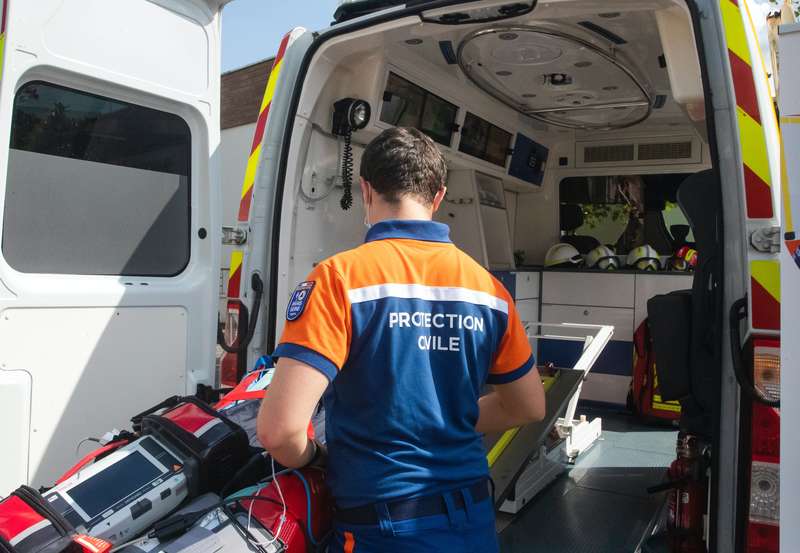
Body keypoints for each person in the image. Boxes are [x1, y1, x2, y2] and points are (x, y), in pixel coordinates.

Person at [256, 127, 546, 552]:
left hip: (383, 527)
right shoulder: (488, 291)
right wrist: (444, 421)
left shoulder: (339, 280)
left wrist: (318, 456)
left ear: (366, 189)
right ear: (439, 196)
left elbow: (279, 433)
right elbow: (528, 405)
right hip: (473, 523)